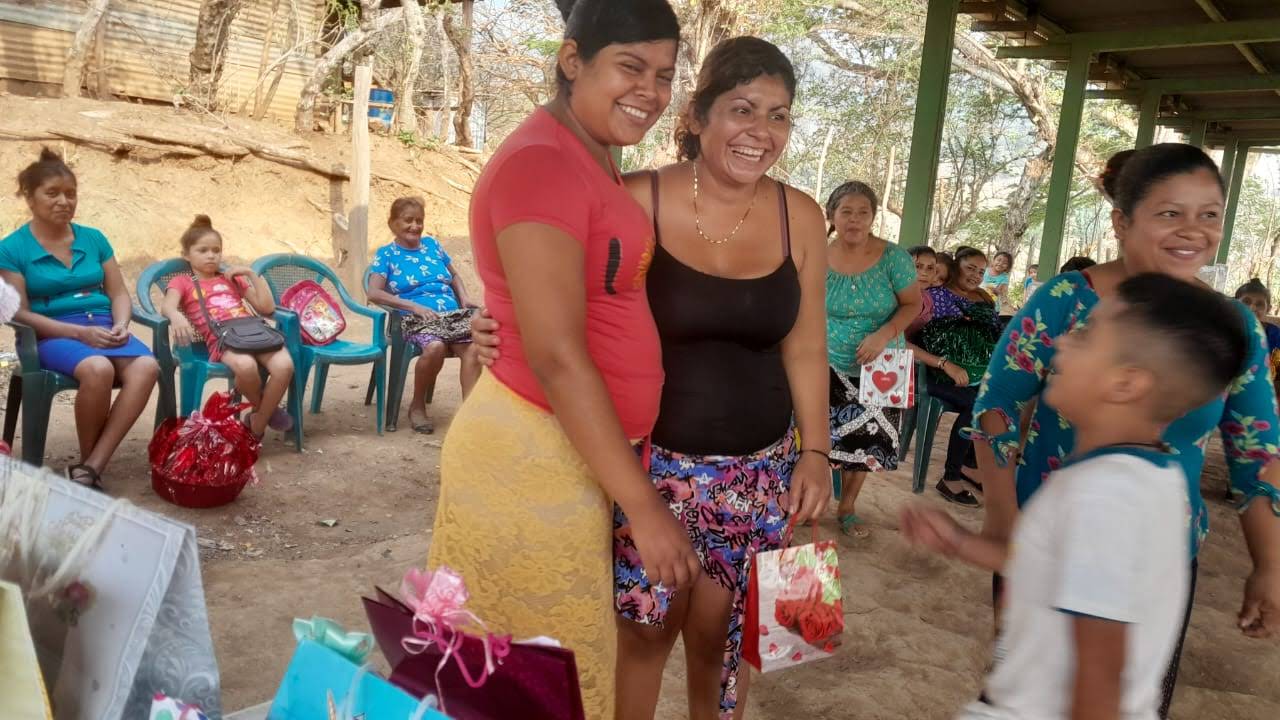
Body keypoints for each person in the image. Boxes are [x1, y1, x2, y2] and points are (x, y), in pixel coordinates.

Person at [469, 35, 832, 720]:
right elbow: (549, 294)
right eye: (742, 109)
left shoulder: (801, 216)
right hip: (650, 464)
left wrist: (815, 452)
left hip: (759, 474)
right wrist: (493, 329)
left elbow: (807, 347)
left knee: (723, 637)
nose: (761, 132)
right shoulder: (632, 198)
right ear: (696, 116)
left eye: (779, 115)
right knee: (642, 632)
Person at [426, 4, 696, 718]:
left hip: (569, 454)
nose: (650, 89)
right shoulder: (543, 161)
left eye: (664, 75)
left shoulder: (595, 154)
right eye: (630, 67)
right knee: (535, 682)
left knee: (548, 675)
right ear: (573, 60)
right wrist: (644, 506)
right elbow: (554, 352)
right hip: (529, 455)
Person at [970, 143, 1280, 718]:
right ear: (1122, 220)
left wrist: (1270, 564)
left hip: (1158, 553)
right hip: (1045, 534)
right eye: (1170, 212)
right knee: (1029, 684)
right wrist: (1001, 520)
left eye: (1209, 214)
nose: (1193, 230)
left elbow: (1257, 451)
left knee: (1124, 692)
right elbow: (998, 408)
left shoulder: (1229, 325)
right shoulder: (1066, 300)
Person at [906, 273, 1249, 720]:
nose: (1063, 343)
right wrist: (962, 543)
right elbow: (1060, 563)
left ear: (1126, 384)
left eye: (1086, 336)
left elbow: (1100, 680)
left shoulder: (1106, 498)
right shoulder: (1147, 474)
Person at [0, 148, 159, 490]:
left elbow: (118, 293)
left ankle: (90, 467)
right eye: (52, 193)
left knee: (148, 367)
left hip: (103, 324)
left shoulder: (94, 238)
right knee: (98, 368)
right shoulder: (12, 248)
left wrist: (121, 323)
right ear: (29, 197)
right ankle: (90, 462)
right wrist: (78, 333)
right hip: (50, 334)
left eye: (70, 194)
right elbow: (17, 312)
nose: (64, 201)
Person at [826, 181, 922, 539]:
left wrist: (883, 336)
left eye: (863, 212)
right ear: (832, 215)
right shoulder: (817, 254)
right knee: (821, 436)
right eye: (846, 211)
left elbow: (913, 303)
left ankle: (848, 506)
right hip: (828, 358)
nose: (855, 219)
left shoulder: (894, 258)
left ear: (873, 216)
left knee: (869, 441)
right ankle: (817, 501)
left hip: (885, 362)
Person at [162, 215, 295, 439]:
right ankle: (266, 415)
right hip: (223, 337)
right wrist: (175, 316)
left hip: (254, 331)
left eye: (216, 250)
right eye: (202, 250)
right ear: (186, 255)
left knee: (284, 366)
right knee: (245, 366)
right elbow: (167, 306)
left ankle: (257, 423)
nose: (211, 255)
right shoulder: (182, 282)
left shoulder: (230, 278)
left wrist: (252, 275)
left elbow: (266, 307)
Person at [367, 196, 481, 433]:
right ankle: (417, 406)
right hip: (414, 318)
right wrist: (413, 307)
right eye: (408, 220)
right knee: (435, 347)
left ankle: (470, 415)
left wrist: (465, 297)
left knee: (474, 347)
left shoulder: (432, 245)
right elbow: (374, 293)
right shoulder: (387, 254)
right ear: (393, 224)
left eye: (419, 221)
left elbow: (455, 276)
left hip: (451, 315)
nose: (415, 226)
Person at [906, 247, 1001, 507]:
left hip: (972, 374)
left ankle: (970, 465)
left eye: (981, 272)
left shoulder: (981, 299)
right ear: (955, 265)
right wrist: (946, 364)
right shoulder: (932, 298)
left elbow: (993, 337)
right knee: (976, 403)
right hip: (933, 374)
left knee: (995, 398)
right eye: (970, 268)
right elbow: (906, 340)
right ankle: (950, 477)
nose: (975, 275)